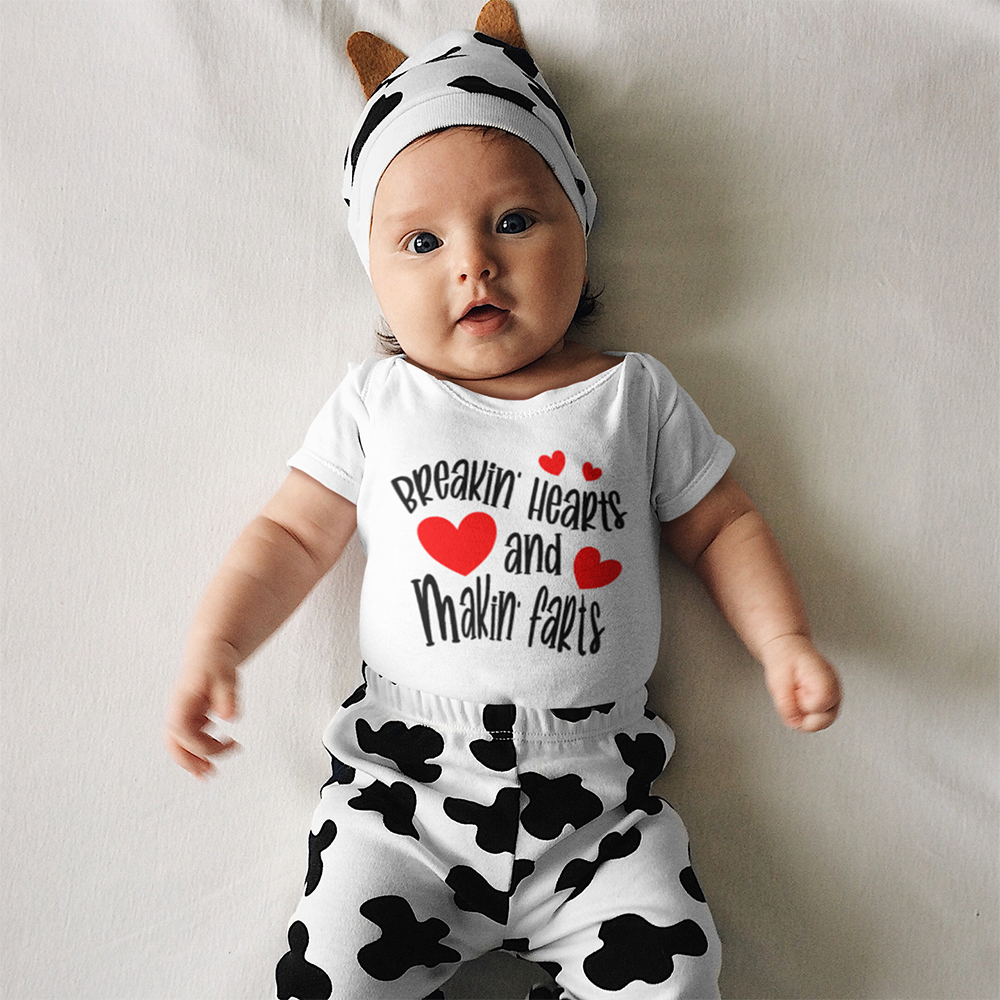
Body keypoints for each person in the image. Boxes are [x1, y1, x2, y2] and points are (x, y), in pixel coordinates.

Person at [165, 4, 841, 998]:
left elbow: (721, 522)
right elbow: (290, 534)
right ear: (372, 271)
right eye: (421, 241)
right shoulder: (379, 402)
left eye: (514, 221)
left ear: (580, 226)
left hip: (599, 810)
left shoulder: (632, 397)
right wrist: (218, 643)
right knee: (330, 976)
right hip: (402, 797)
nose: (472, 262)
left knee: (675, 970)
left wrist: (782, 640)